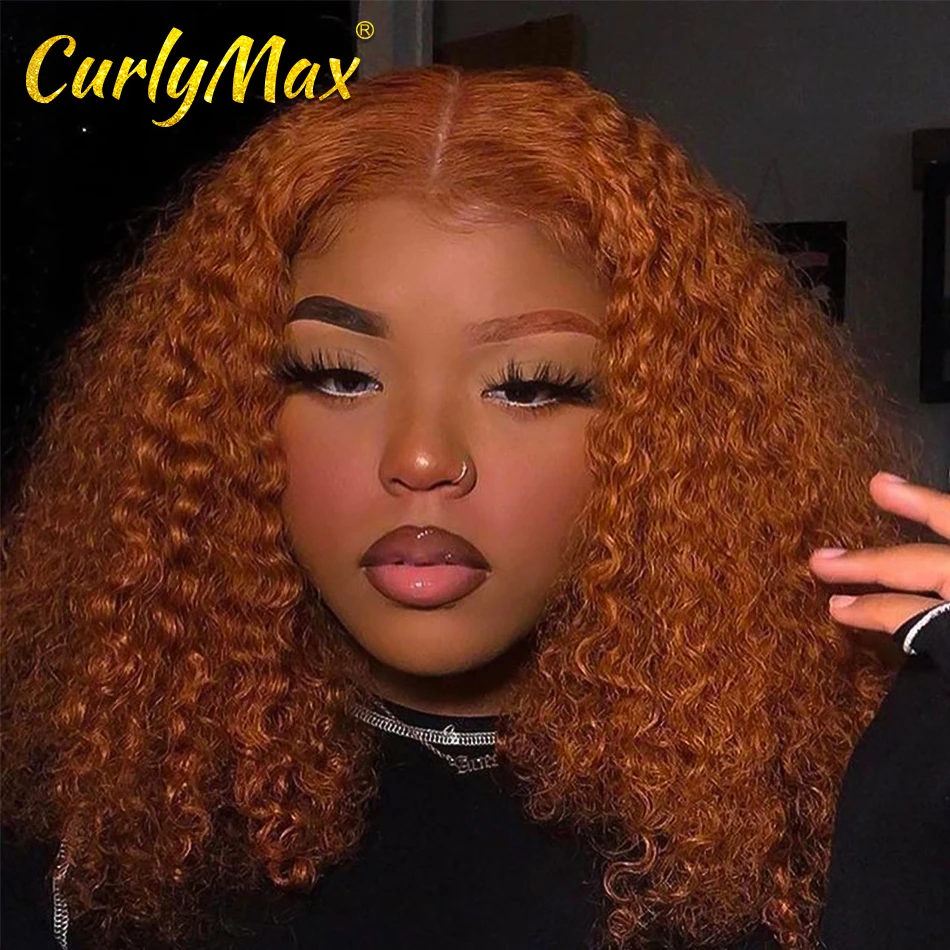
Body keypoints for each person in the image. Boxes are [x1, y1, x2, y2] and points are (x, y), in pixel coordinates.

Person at [1, 64, 947, 950]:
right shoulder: (85, 818)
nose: (421, 460)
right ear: (218, 415)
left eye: (529, 386)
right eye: (337, 374)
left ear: (674, 436)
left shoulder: (843, 798)